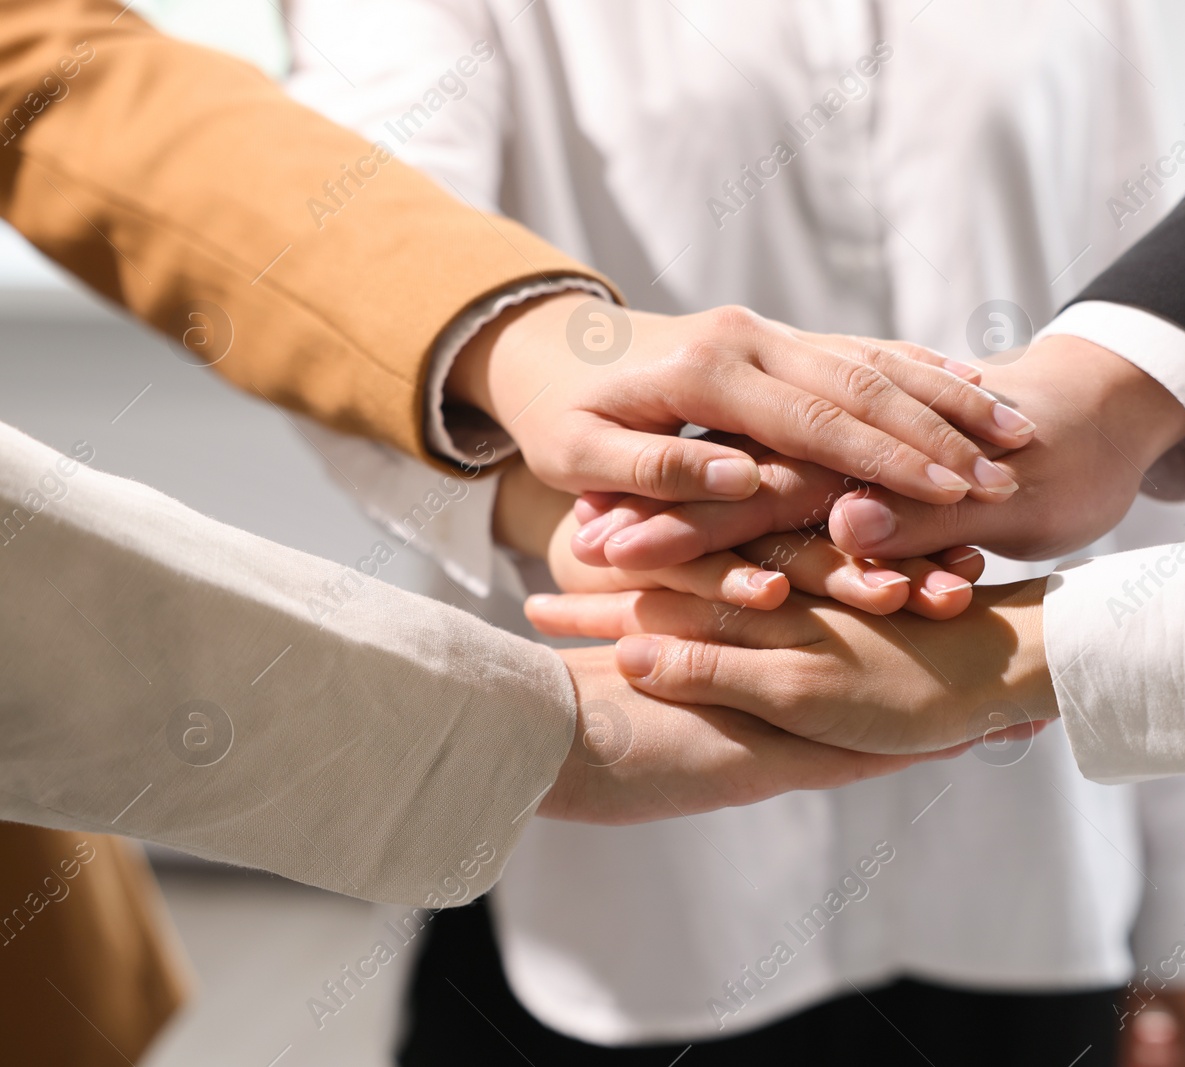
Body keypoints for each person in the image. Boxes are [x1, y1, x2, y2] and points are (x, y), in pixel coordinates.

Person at [0, 0, 999, 1060]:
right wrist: (530, 720)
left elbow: (53, 70)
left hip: (1010, 873)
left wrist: (522, 337)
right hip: (618, 883)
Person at [285, 2, 1185, 1063]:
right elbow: (338, 283)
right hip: (632, 857)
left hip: (1024, 850)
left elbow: (1153, 406)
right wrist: (578, 525)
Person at [540, 0, 1185, 784]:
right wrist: (1087, 400)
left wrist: (1042, 653)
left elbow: (1150, 532)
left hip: (1034, 832)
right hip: (640, 763)